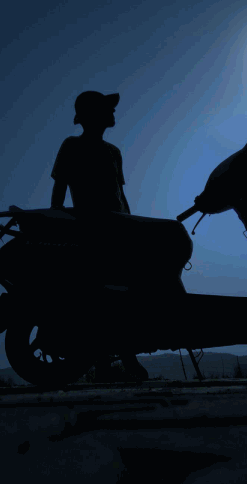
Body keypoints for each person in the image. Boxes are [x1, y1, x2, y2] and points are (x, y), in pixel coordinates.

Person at [50, 90, 149, 383]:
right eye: (108, 108)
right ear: (92, 114)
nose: (113, 113)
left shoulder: (113, 152)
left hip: (121, 232)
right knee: (99, 296)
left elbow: (121, 195)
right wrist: (58, 223)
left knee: (128, 294)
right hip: (90, 232)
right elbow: (59, 189)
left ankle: (127, 355)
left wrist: (134, 226)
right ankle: (107, 361)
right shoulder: (71, 145)